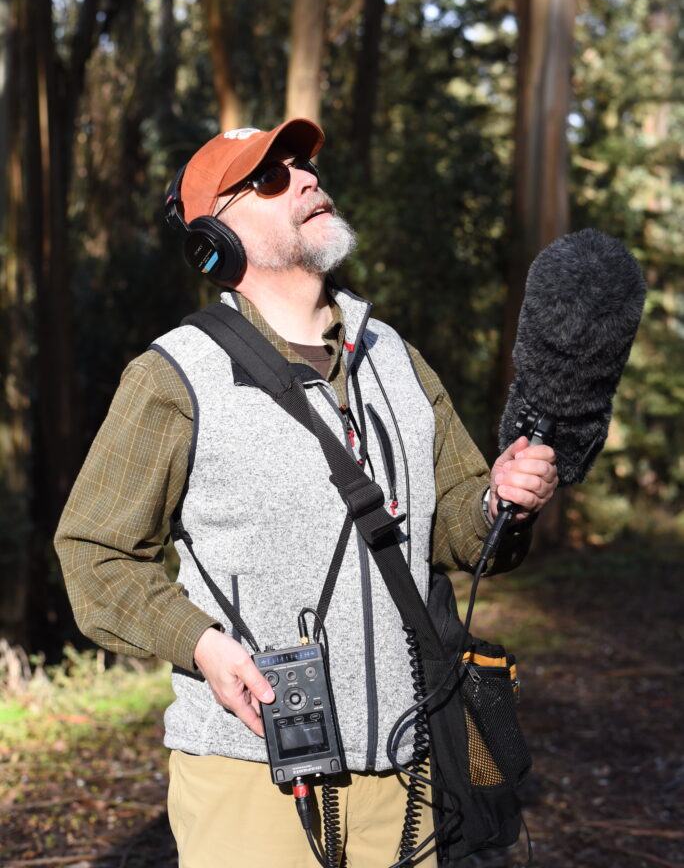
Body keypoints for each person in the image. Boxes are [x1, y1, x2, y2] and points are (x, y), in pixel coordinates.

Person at [55, 117, 558, 868]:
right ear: (213, 241)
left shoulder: (396, 358)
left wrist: (500, 500)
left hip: (411, 764)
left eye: (304, 166)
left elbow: (454, 521)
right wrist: (202, 645)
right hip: (250, 779)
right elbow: (95, 554)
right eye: (268, 177)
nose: (306, 179)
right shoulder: (173, 376)